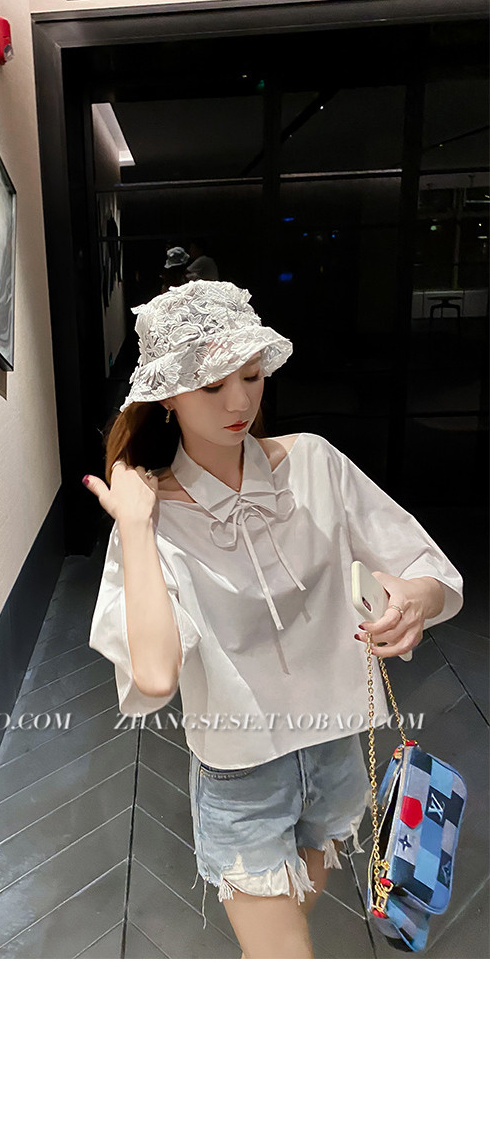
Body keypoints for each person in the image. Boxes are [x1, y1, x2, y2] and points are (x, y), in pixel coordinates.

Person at [83, 279, 464, 960]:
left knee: (279, 951)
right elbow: (155, 676)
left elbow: (430, 571)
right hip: (241, 780)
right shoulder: (153, 518)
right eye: (211, 385)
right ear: (167, 395)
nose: (239, 402)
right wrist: (136, 527)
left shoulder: (314, 463)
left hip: (338, 751)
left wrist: (413, 600)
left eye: (252, 376)